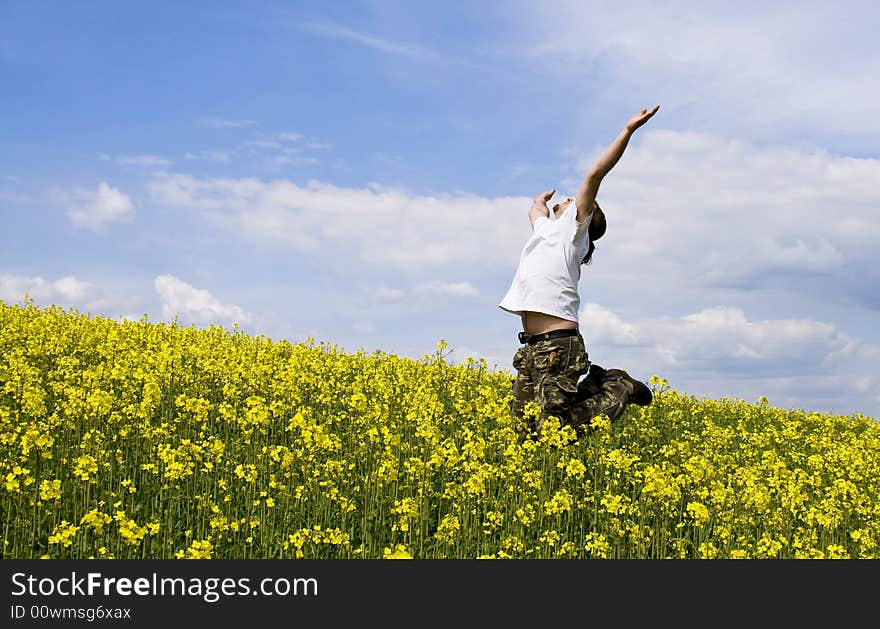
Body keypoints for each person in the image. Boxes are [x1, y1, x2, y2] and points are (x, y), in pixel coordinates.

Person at [499, 105, 660, 439]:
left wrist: (627, 131)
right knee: (523, 434)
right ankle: (600, 383)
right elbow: (536, 212)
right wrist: (538, 201)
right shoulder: (546, 231)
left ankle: (619, 389)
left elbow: (594, 175)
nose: (570, 198)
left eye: (575, 201)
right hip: (531, 346)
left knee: (553, 431)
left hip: (558, 345)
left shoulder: (574, 232)